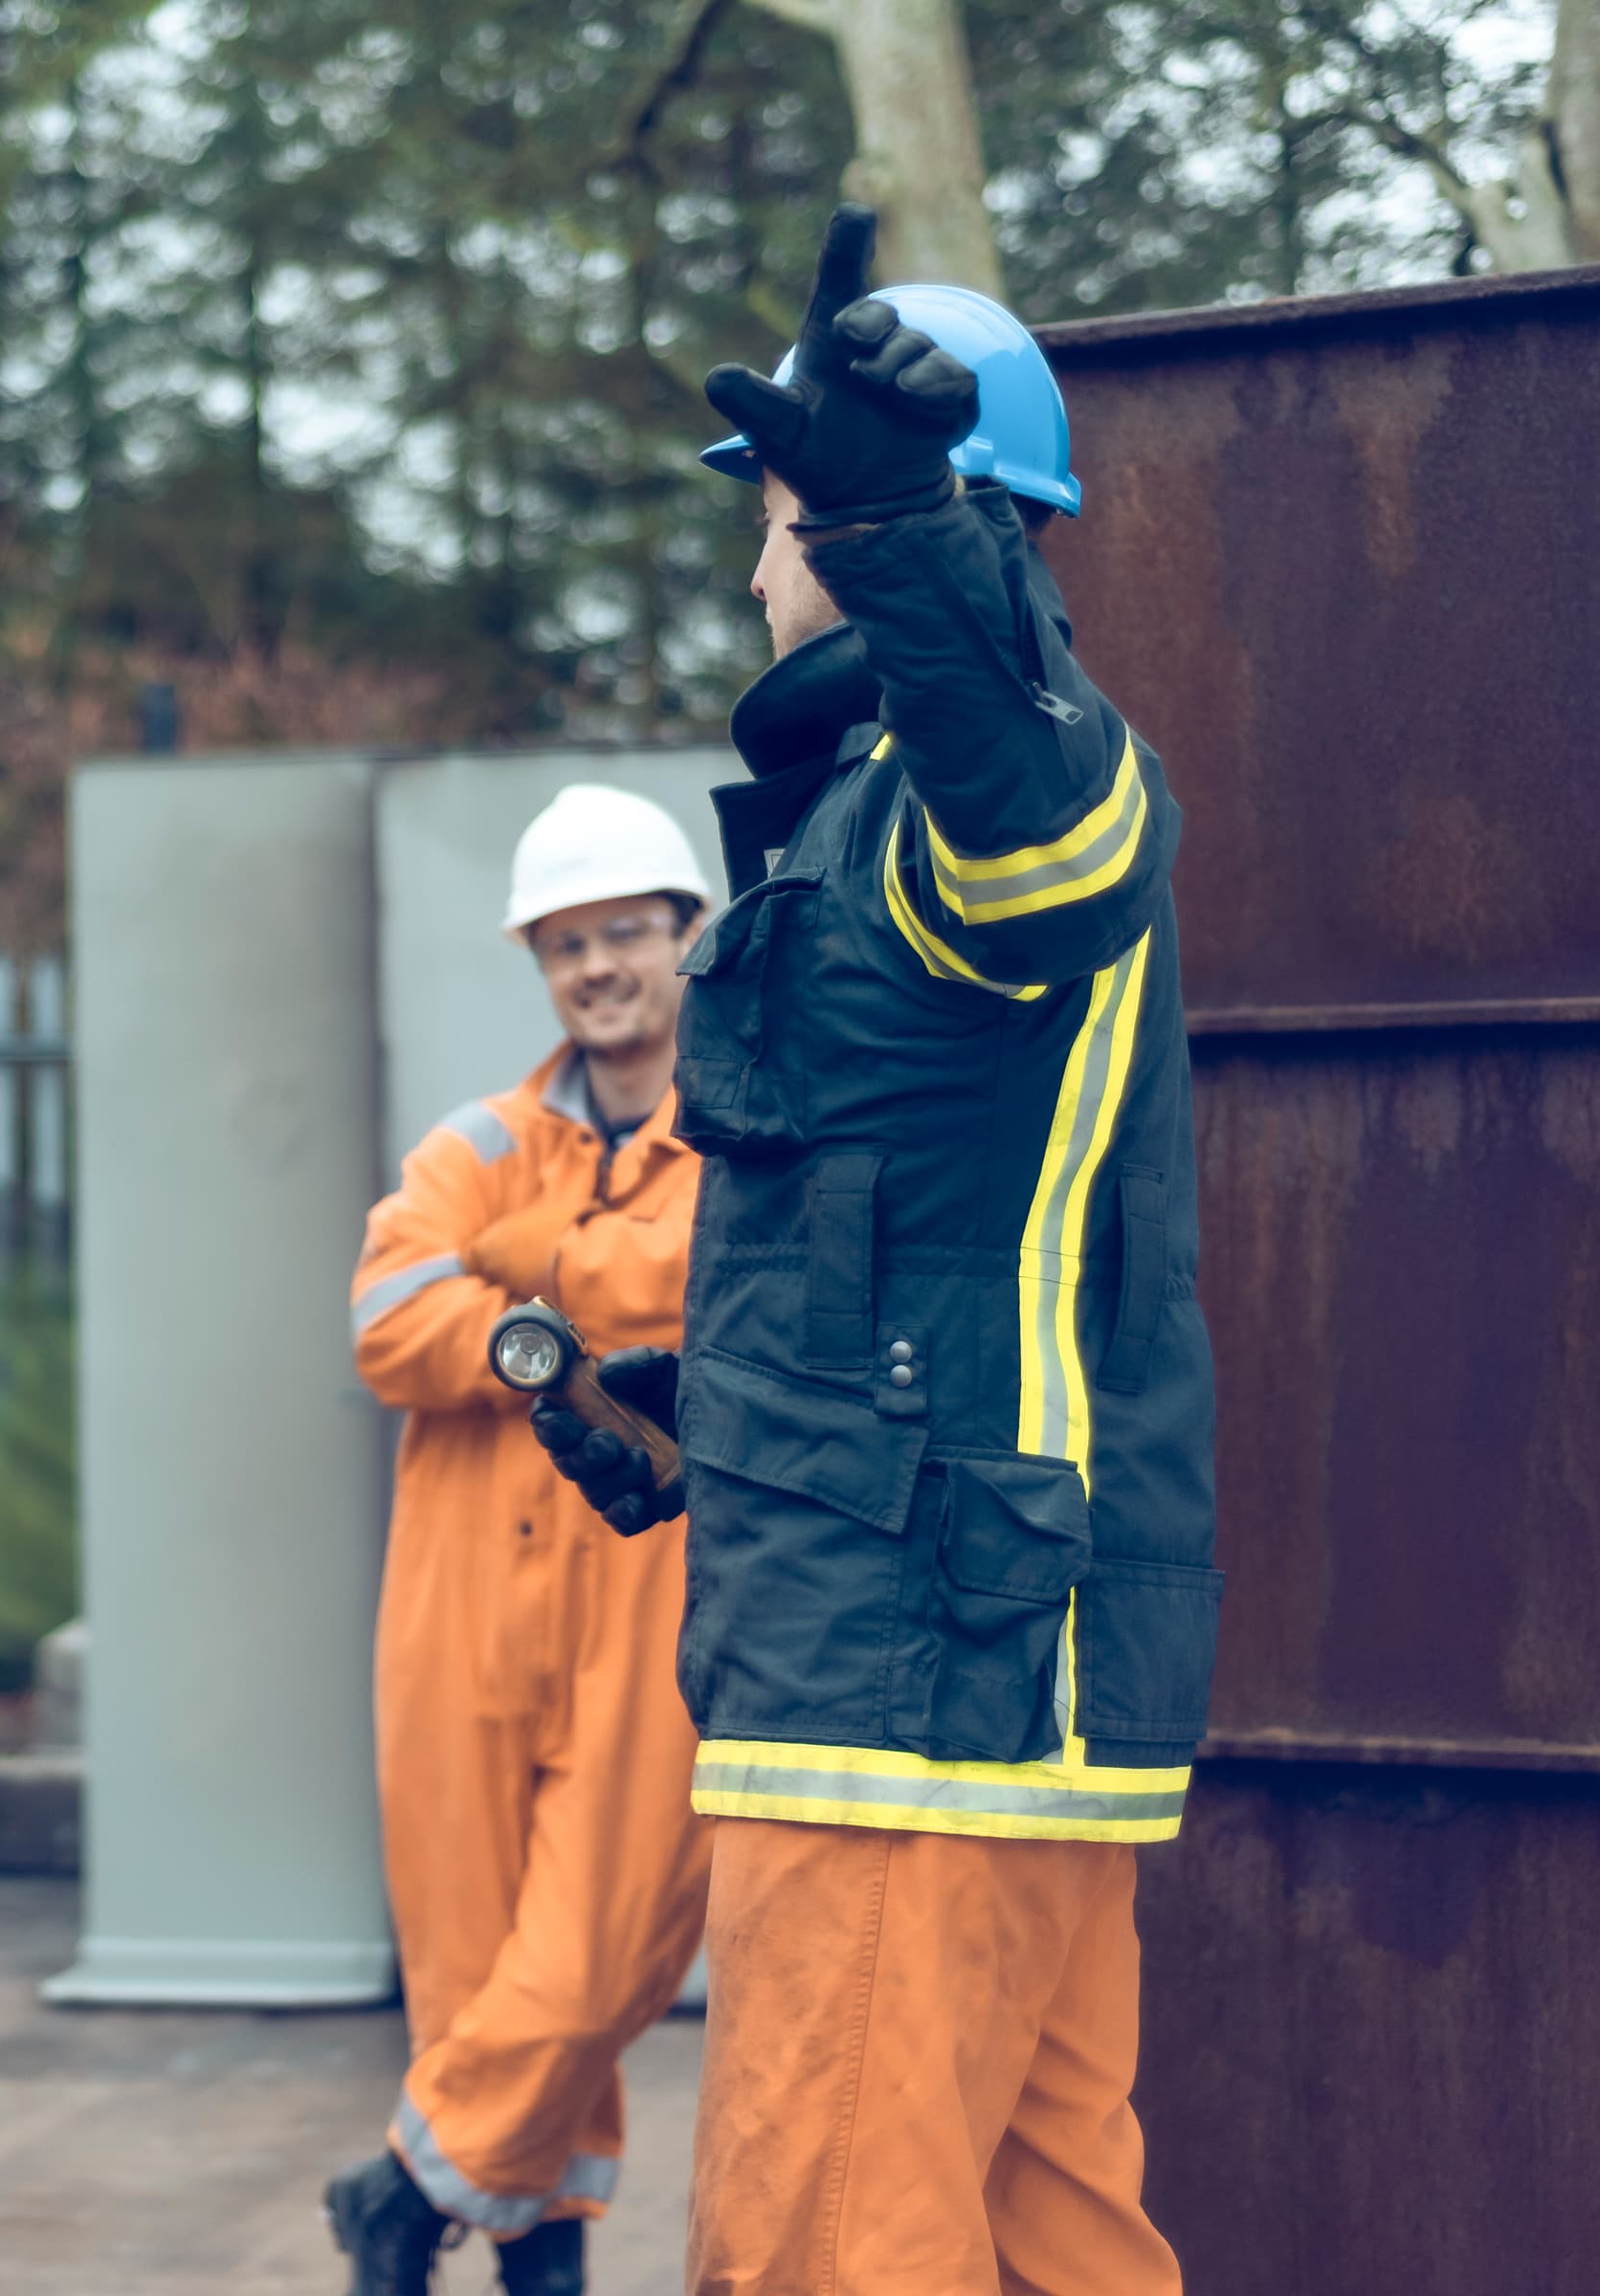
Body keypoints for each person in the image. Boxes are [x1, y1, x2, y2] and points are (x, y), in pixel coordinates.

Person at [537, 207, 1219, 2296]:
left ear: (874, 526)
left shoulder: (985, 789)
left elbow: (1051, 837)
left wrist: (900, 518)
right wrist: (713, 1419)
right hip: (980, 1666)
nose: (754, 563)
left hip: (911, 1694)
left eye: (776, 520)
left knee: (827, 2243)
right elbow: (893, 1222)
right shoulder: (876, 815)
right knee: (1048, 2250)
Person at [326, 786, 720, 2296]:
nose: (598, 965)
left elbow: (699, 1280)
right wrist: (545, 1334)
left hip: (650, 1594)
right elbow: (384, 1321)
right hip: (459, 1606)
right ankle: (535, 2265)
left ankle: (403, 2193)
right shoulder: (474, 1139)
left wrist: (512, 1279)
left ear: (692, 938)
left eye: (627, 930)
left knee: (611, 1942)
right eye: (566, 943)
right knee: (472, 1962)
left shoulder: (740, 1138)